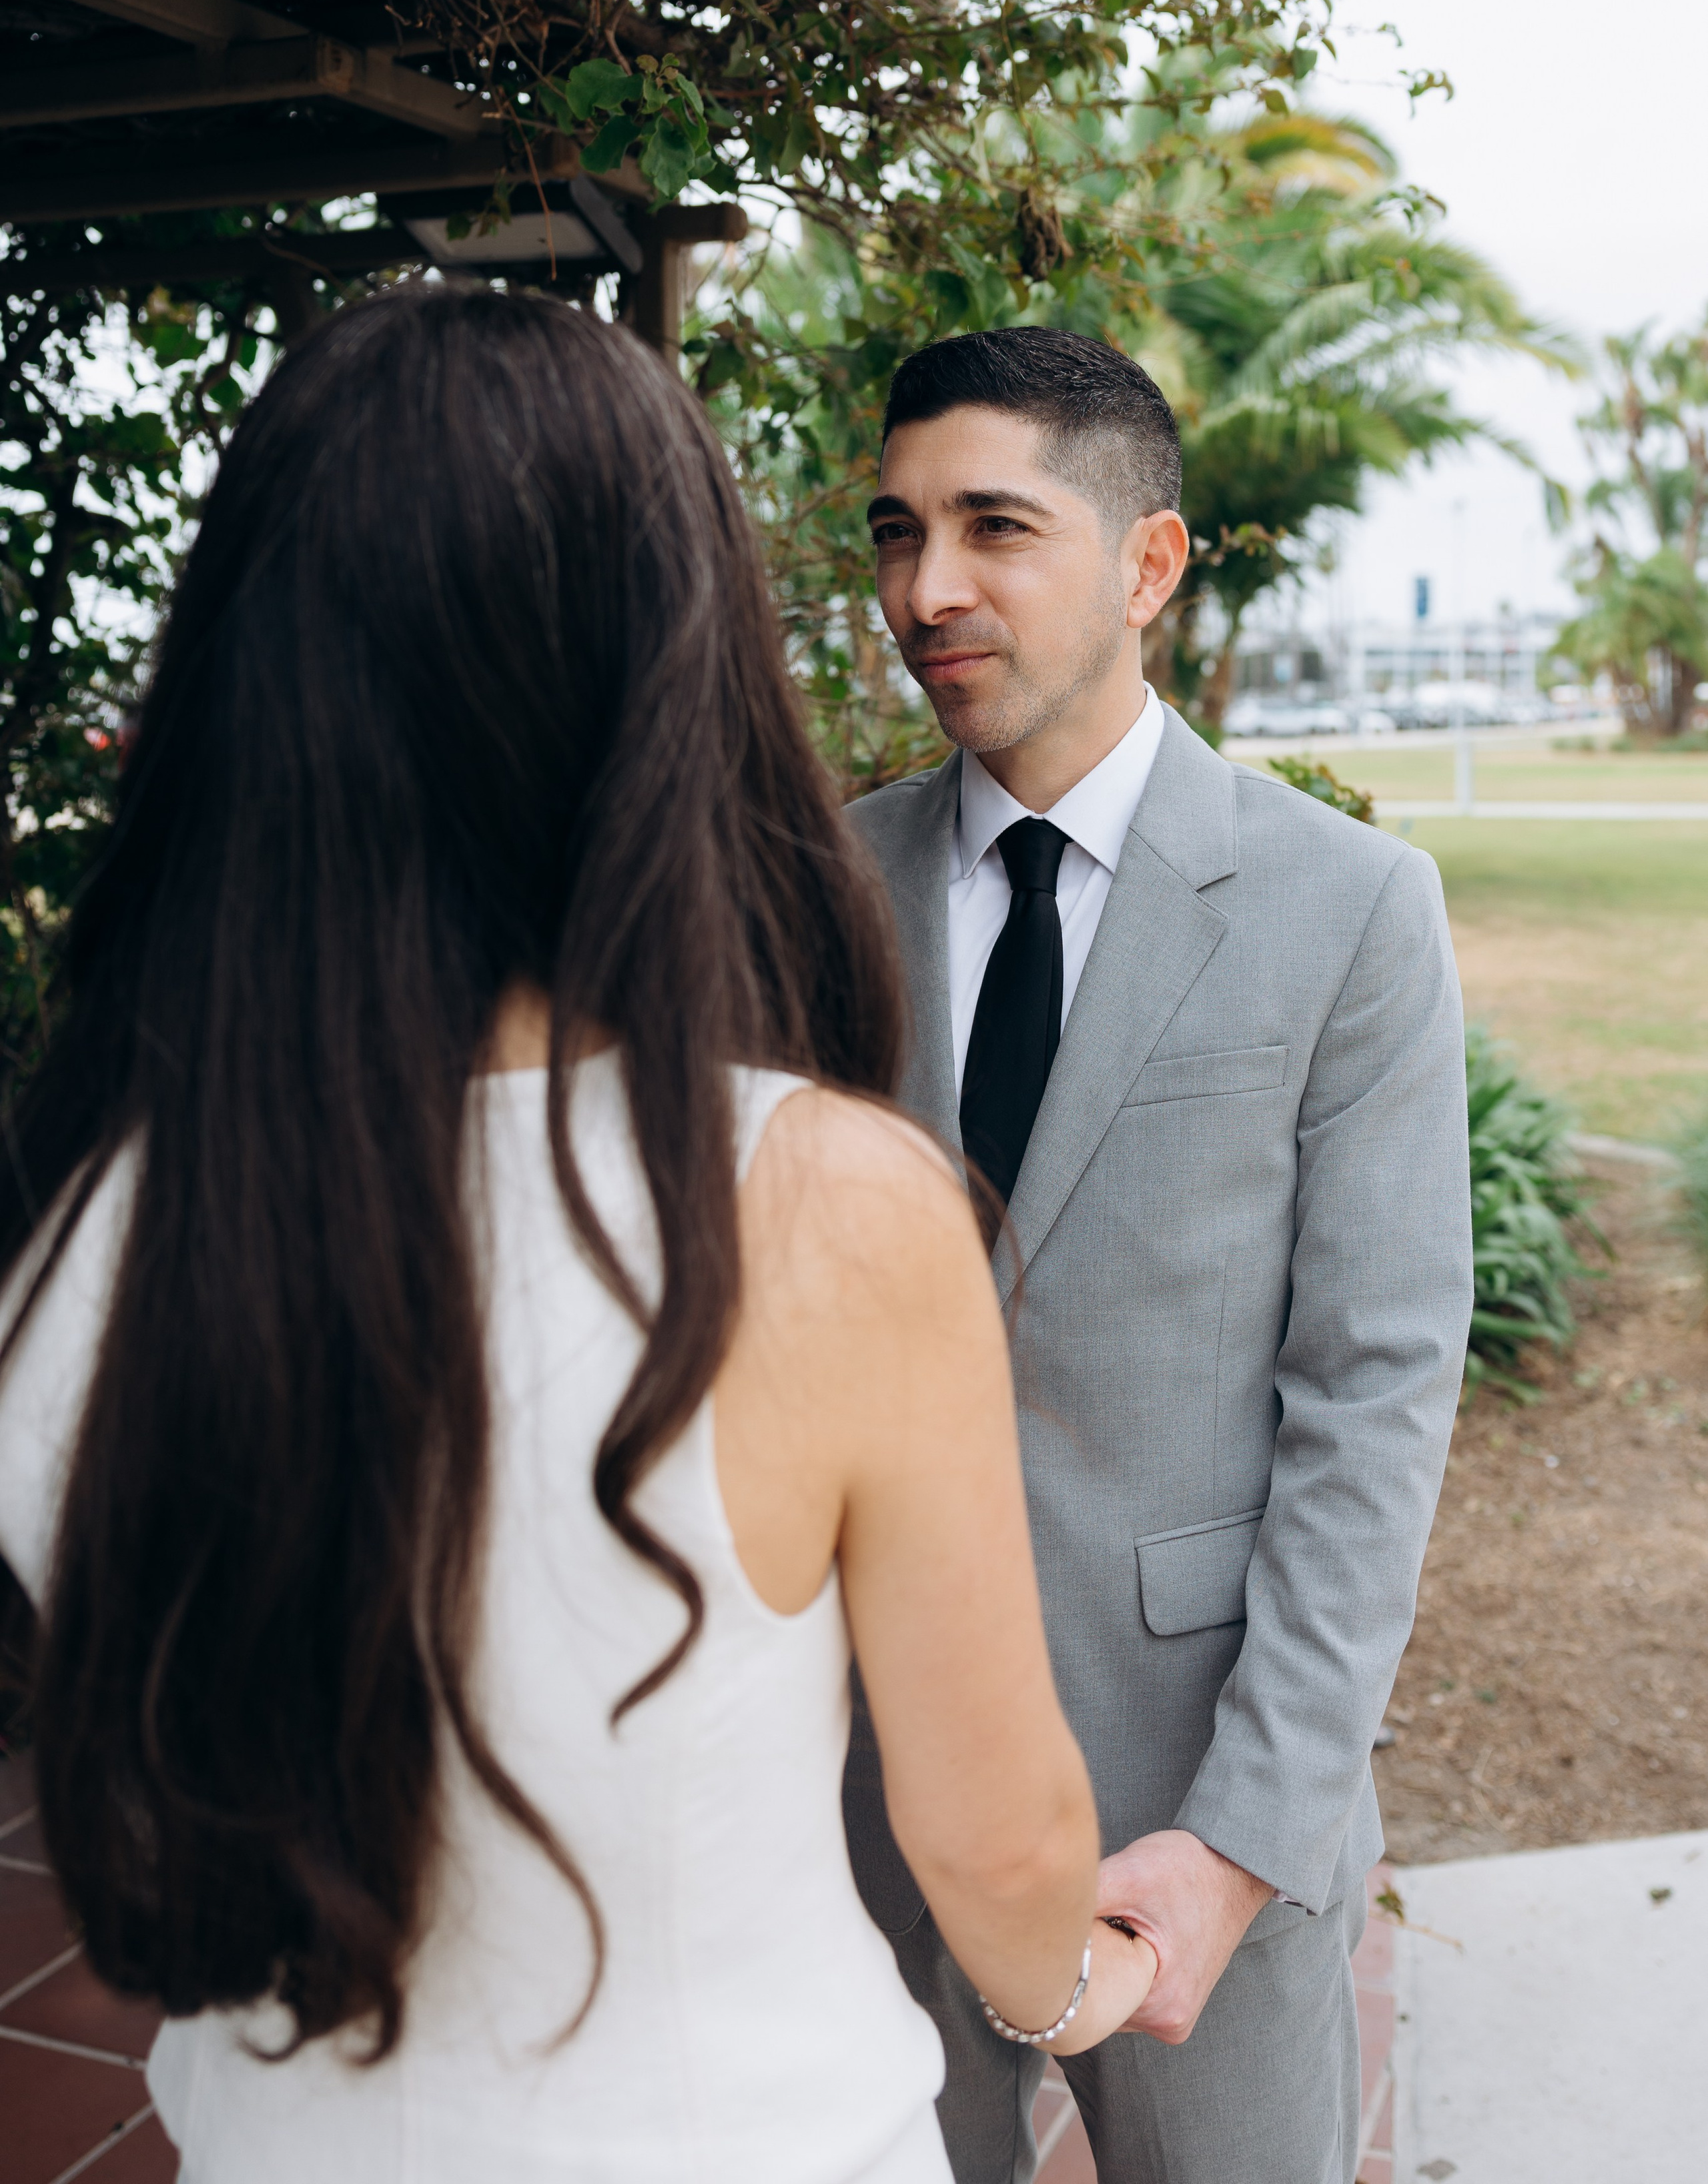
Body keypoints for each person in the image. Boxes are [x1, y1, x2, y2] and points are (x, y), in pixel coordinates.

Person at [0, 288, 1156, 2184]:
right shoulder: (818, 1206)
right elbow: (1002, 1839)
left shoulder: (82, 1220)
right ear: (672, 670)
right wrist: (1074, 1993)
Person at [842, 326, 1473, 2184]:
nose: (925, 589)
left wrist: (1250, 1832)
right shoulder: (809, 886)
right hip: (858, 1806)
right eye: (895, 530)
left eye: (992, 527)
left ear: (1150, 564)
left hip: (1193, 1804)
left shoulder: (1349, 912)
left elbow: (1372, 1399)